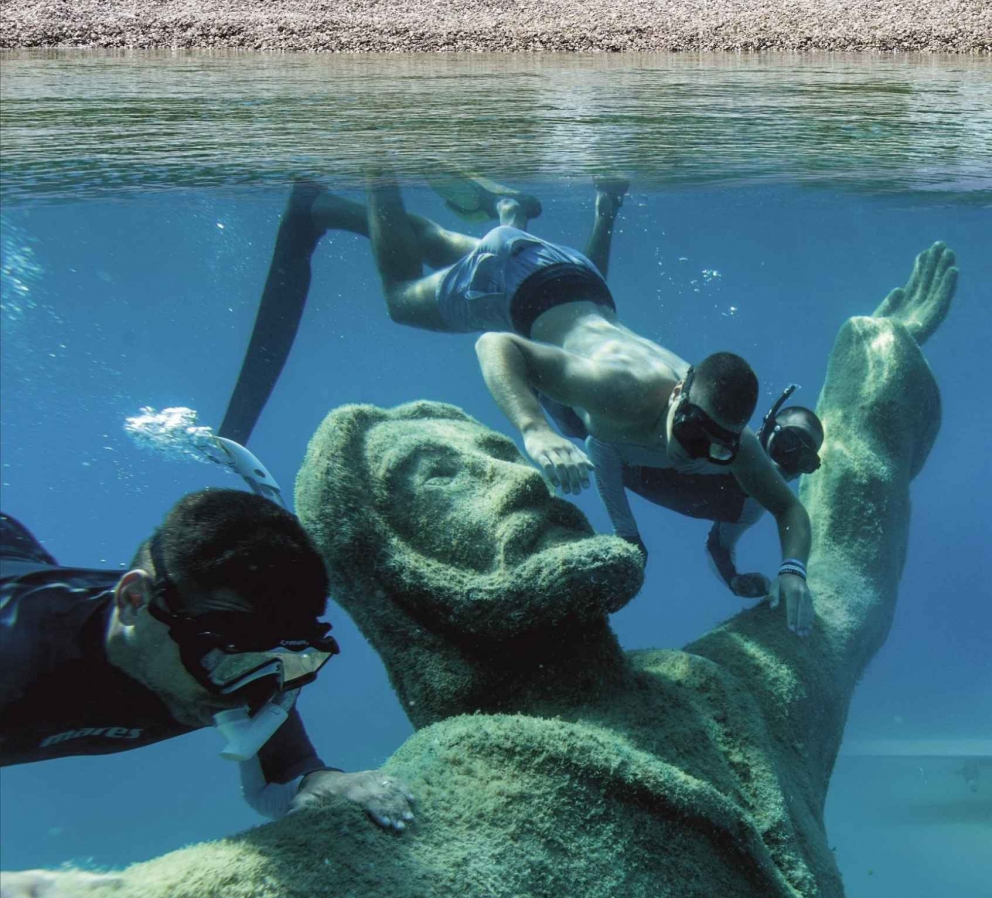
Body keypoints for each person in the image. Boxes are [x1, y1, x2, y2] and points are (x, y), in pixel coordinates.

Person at [224, 173, 815, 636]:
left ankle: (370, 210)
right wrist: (535, 428)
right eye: (691, 433)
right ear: (680, 393)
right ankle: (380, 160)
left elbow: (790, 511)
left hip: (577, 279)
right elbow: (496, 345)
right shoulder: (622, 390)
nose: (695, 456)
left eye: (715, 446)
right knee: (402, 300)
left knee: (462, 247)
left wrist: (792, 570)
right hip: (520, 294)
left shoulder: (730, 444)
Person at [0, 492, 417, 830]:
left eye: (281, 657)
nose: (245, 692)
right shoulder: (14, 662)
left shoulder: (245, 670)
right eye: (227, 650)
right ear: (134, 602)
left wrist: (324, 782)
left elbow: (289, 770)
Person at [591, 375, 825, 600]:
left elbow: (719, 546)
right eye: (788, 443)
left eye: (804, 461)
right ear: (767, 427)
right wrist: (627, 533)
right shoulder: (714, 443)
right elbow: (600, 444)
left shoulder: (751, 508)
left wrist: (734, 580)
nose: (787, 462)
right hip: (583, 408)